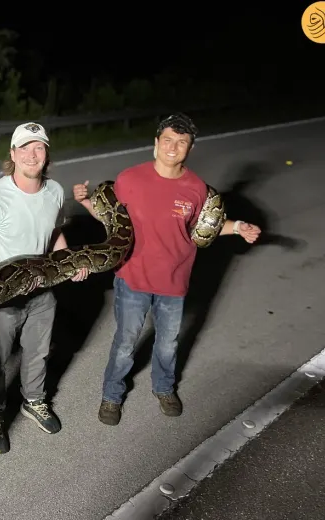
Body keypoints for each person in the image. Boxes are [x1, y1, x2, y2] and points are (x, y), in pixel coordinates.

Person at [72, 113, 262, 426]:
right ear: (156, 144)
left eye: (181, 142)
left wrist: (239, 226)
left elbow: (204, 228)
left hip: (174, 281)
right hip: (132, 277)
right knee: (125, 342)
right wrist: (86, 203)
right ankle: (111, 395)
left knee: (168, 343)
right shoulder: (130, 179)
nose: (173, 148)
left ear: (190, 148)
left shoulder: (197, 189)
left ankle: (164, 388)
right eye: (168, 140)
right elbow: (112, 219)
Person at [0, 122, 89, 454]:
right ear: (12, 154)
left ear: (46, 154)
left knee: (38, 353)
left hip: (42, 292)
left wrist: (70, 263)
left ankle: (34, 401)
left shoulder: (54, 191)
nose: (31, 155)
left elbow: (54, 235)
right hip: (4, 298)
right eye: (24, 148)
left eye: (38, 147)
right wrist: (4, 285)